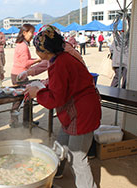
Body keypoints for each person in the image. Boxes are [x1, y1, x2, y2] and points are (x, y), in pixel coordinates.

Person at [25, 25, 101, 188]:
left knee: (77, 158)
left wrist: (36, 93)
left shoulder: (60, 63)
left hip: (81, 113)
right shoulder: (62, 58)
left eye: (37, 49)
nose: (36, 53)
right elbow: (60, 86)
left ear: (44, 51)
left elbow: (55, 99)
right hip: (76, 110)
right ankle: (52, 175)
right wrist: (40, 88)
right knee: (60, 145)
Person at [10, 23, 41, 127]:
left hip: (17, 74)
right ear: (24, 33)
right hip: (20, 75)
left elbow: (25, 61)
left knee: (19, 98)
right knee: (24, 98)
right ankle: (26, 122)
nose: (32, 35)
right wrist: (39, 59)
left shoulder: (21, 44)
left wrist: (37, 60)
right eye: (31, 32)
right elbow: (25, 63)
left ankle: (16, 121)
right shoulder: (23, 46)